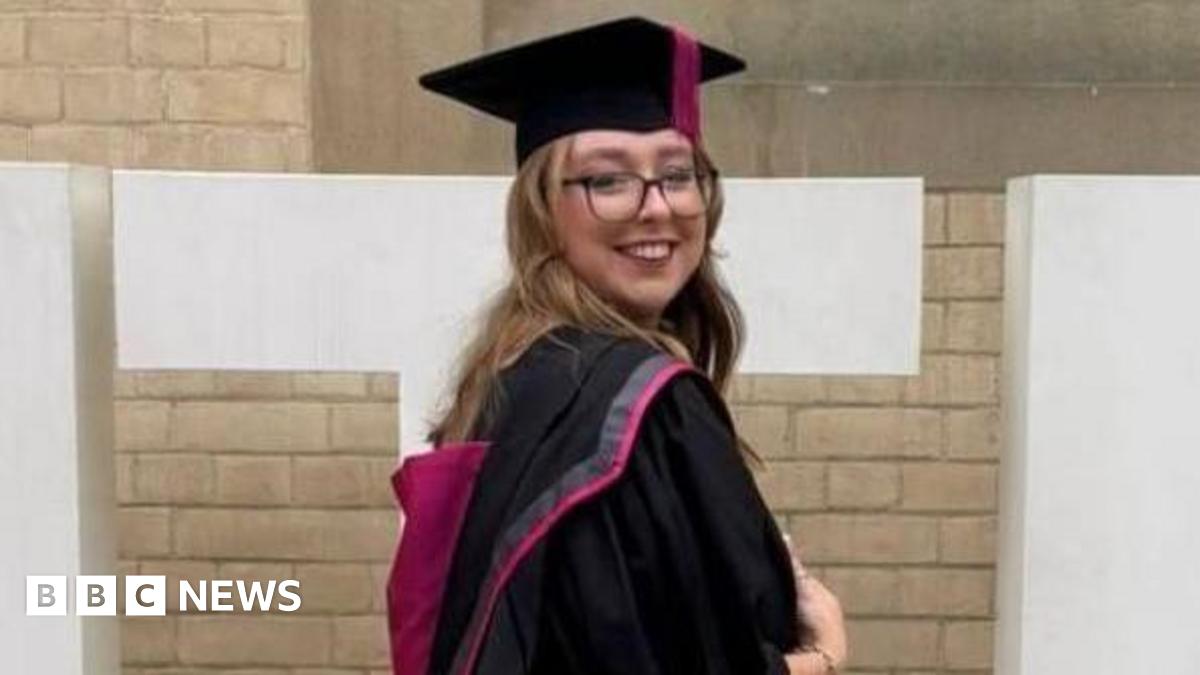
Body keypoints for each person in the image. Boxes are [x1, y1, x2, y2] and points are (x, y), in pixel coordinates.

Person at [386, 16, 848, 675]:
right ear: (542, 208)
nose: (656, 207)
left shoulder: (514, 374)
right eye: (607, 180)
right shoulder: (647, 410)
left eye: (677, 174)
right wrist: (826, 656)